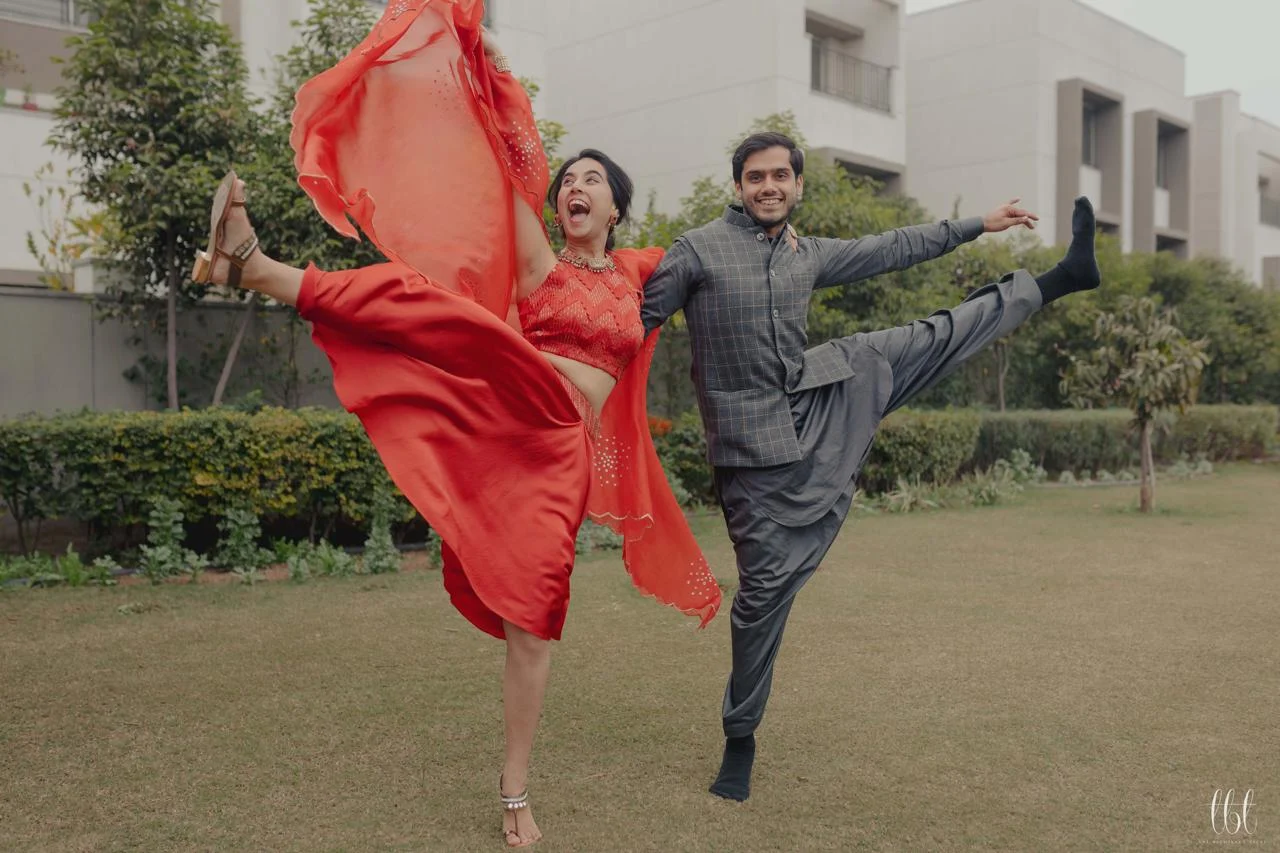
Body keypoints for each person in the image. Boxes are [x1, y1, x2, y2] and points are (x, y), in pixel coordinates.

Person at [190, 4, 719, 847]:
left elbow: (721, 246)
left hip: (556, 456)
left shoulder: (642, 275)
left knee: (534, 624)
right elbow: (505, 166)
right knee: (423, 299)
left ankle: (515, 787)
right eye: (569, 179)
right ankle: (253, 267)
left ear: (619, 206)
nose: (574, 187)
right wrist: (482, 66)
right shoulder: (541, 265)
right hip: (514, 401)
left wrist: (787, 232)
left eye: (591, 180)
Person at [640, 131, 1101, 802]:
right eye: (755, 176)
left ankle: (1062, 279)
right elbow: (633, 322)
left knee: (930, 336)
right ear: (738, 186)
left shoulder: (808, 254)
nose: (769, 186)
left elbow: (896, 248)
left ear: (797, 186)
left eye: (780, 176)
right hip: (751, 460)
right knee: (760, 605)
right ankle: (741, 737)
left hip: (823, 398)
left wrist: (980, 224)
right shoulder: (698, 252)